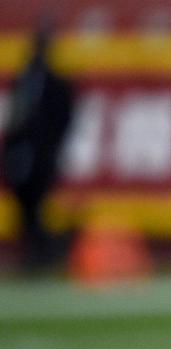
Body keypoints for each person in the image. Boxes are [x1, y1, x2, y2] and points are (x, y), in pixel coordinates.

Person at [0, 21, 75, 273]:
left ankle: (44, 252)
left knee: (38, 204)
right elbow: (15, 118)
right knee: (26, 205)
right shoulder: (23, 79)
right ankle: (39, 251)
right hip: (21, 153)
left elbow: (64, 117)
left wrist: (53, 147)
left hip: (42, 154)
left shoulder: (55, 83)